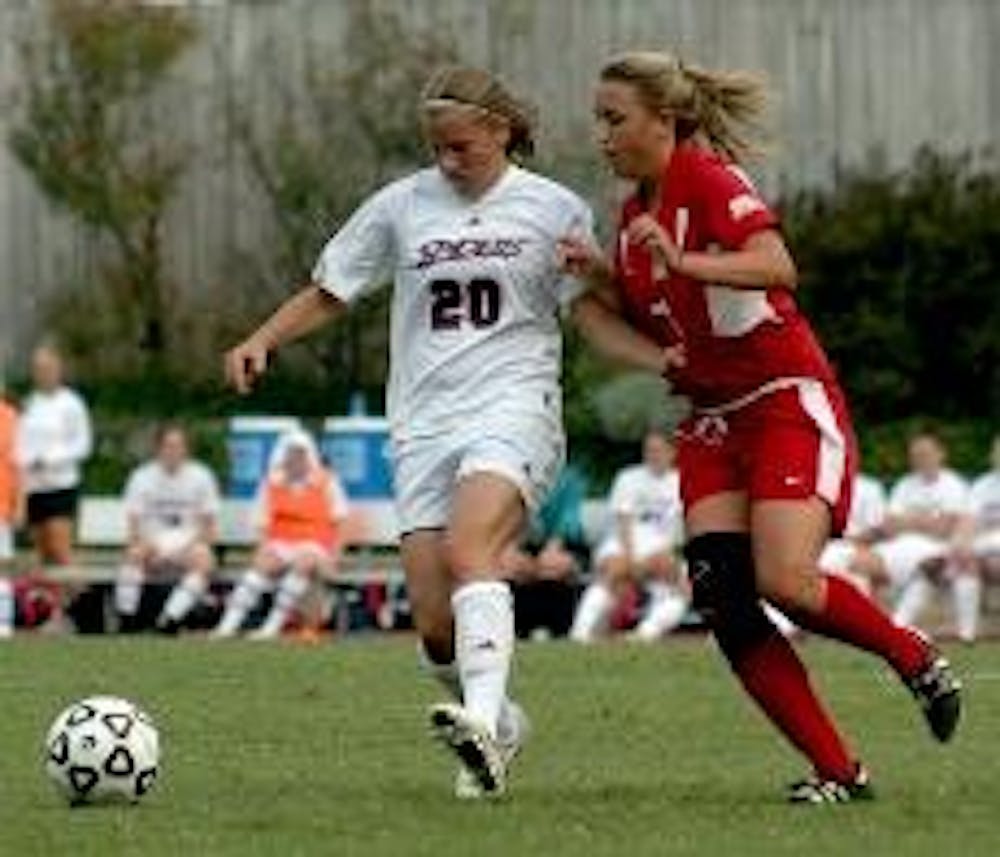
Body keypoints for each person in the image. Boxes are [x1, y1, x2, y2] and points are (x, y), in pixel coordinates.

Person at [225, 65, 668, 799]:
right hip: (424, 424)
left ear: (499, 132)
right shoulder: (401, 207)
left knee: (472, 550)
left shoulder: (553, 209)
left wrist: (655, 351)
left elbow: (593, 309)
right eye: (438, 149)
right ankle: (503, 720)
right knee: (435, 627)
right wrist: (263, 339)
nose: (448, 161)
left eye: (462, 146)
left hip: (514, 408)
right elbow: (332, 289)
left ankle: (484, 736)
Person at [559, 50, 961, 803]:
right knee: (724, 596)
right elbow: (649, 305)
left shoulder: (709, 182)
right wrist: (600, 279)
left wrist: (685, 259)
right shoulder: (630, 215)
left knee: (787, 580)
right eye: (598, 122)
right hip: (713, 420)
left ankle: (914, 654)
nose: (602, 137)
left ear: (664, 119)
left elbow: (777, 267)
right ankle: (839, 772)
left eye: (614, 119)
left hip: (784, 397)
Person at [212, 429, 349, 640]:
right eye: (290, 454)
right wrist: (263, 549)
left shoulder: (326, 481)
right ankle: (227, 626)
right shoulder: (271, 483)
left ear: (309, 456)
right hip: (281, 544)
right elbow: (261, 523)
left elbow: (341, 523)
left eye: (300, 454)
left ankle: (271, 627)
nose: (295, 460)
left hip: (316, 545)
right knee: (262, 565)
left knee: (304, 562)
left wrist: (334, 557)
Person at [570, 429, 688, 643]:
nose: (652, 455)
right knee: (616, 569)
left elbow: (681, 532)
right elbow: (624, 523)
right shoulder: (628, 477)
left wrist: (667, 560)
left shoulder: (681, 481)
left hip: (660, 550)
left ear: (672, 452)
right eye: (648, 450)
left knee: (684, 582)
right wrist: (634, 561)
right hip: (622, 545)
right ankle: (581, 632)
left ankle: (645, 633)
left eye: (658, 450)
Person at [115, 424, 221, 633]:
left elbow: (210, 527)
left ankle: (169, 619)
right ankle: (127, 621)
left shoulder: (202, 476)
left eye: (178, 446)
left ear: (186, 450)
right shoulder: (141, 477)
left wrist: (184, 551)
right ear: (158, 449)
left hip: (188, 542)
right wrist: (145, 547)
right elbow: (132, 524)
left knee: (205, 560)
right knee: (133, 555)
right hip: (152, 542)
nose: (172, 452)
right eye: (167, 446)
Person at [878, 432, 975, 642]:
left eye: (925, 453)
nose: (920, 459)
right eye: (915, 455)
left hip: (937, 547)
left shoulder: (954, 484)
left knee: (930, 567)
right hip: (901, 546)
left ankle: (898, 627)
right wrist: (928, 521)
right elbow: (889, 525)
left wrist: (910, 521)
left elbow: (948, 526)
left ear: (941, 454)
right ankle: (896, 628)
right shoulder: (904, 484)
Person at [16, 343, 92, 567]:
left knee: (61, 552)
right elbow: (20, 442)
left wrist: (51, 459)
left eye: (48, 368)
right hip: (34, 487)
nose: (43, 373)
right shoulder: (30, 403)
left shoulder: (72, 403)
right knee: (41, 556)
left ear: (59, 370)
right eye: (39, 368)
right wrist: (26, 463)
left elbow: (82, 444)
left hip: (60, 484)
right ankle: (47, 602)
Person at [500, 463, 589, 639]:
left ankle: (556, 628)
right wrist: (512, 549)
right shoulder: (509, 475)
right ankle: (513, 628)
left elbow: (569, 519)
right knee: (509, 565)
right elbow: (506, 516)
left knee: (554, 566)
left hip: (561, 542)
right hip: (518, 539)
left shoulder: (570, 478)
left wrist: (552, 548)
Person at [959, 435, 1000, 612]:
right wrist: (964, 544)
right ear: (991, 456)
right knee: (964, 559)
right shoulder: (981, 485)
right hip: (986, 546)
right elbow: (968, 520)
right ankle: (967, 633)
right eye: (997, 452)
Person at [0, 381, 19, 638]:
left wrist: (19, 503)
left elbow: (17, 463)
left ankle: (4, 622)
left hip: (1, 503)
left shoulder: (9, 416)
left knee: (1, 566)